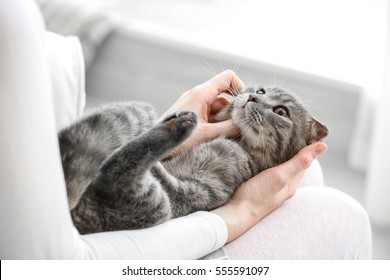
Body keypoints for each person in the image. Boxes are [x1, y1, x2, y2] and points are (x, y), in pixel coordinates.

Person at [0, 0, 371, 259]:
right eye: (258, 93)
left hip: (73, 189)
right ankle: (135, 154)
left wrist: (174, 140)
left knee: (309, 176)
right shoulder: (11, 24)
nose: (254, 100)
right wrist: (241, 212)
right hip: (106, 224)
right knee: (342, 213)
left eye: (276, 109)